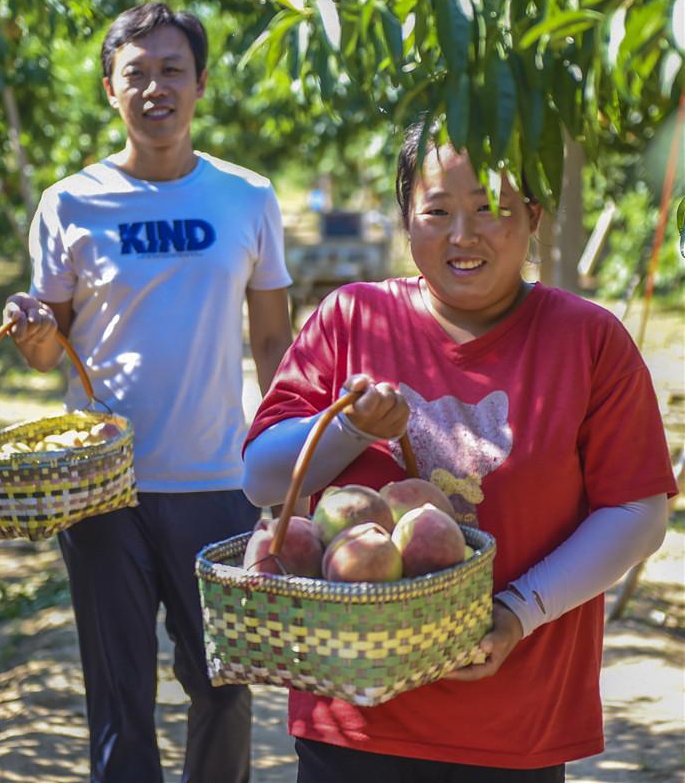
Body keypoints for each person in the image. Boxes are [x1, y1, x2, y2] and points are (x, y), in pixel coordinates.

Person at [241, 122, 677, 783]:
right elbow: (261, 477)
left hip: (516, 718)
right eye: (437, 211)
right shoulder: (352, 318)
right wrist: (349, 429)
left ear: (532, 217)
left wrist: (518, 611)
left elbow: (638, 509)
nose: (462, 234)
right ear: (407, 218)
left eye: (489, 209)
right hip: (357, 714)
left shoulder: (588, 341)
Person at [2, 1, 293, 783]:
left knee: (226, 686)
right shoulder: (70, 202)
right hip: (101, 489)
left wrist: (292, 468)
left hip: (216, 482)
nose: (155, 87)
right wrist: (31, 332)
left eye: (172, 70)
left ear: (200, 84)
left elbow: (273, 342)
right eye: (137, 73)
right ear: (110, 89)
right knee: (120, 696)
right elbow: (45, 345)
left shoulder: (247, 196)